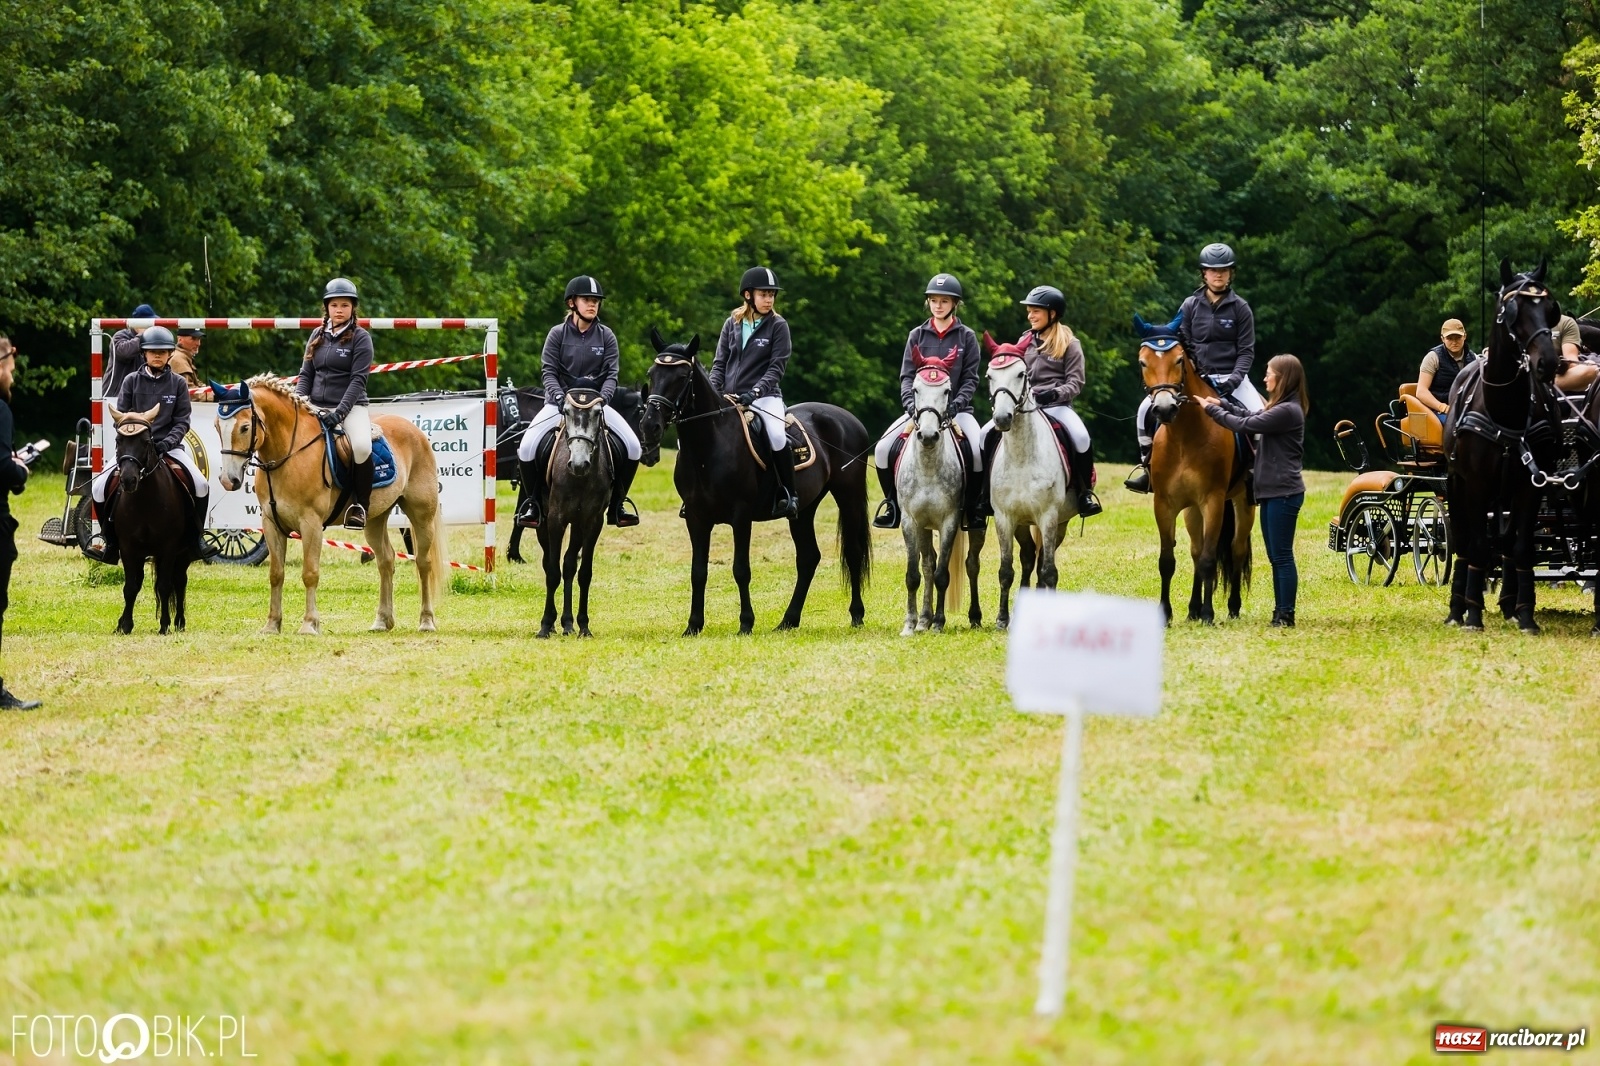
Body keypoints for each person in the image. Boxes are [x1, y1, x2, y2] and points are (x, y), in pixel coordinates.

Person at [1126, 243, 1263, 493]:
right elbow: (1182, 345)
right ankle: (1146, 466)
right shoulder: (1189, 305)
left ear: (1231, 273)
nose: (1218, 274)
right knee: (1145, 408)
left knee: (1257, 411)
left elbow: (1246, 351)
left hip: (1232, 377)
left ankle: (1254, 474)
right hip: (1196, 377)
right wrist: (1193, 374)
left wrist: (1232, 380)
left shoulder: (1241, 308)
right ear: (1204, 273)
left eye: (1223, 270)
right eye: (1212, 270)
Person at [514, 275, 641, 528]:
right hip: (558, 404)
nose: (592, 305)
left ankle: (617, 504)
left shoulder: (607, 336)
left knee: (634, 446)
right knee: (527, 447)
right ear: (572, 302)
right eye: (587, 300)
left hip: (596, 407)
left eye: (596, 301)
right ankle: (533, 504)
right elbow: (548, 371)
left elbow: (611, 374)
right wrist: (561, 398)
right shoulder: (557, 334)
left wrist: (603, 399)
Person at [1197, 354, 1308, 627]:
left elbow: (1245, 425)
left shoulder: (1287, 411)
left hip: (1283, 493)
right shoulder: (1280, 407)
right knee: (1276, 556)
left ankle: (1286, 614)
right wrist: (1221, 402)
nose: (1265, 378)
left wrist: (1212, 411)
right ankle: (1281, 612)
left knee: (1281, 556)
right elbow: (1251, 414)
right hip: (1272, 492)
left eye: (1269, 373)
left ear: (1282, 379)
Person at [91, 326, 215, 563]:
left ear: (170, 353)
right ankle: (109, 541)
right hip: (134, 449)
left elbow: (182, 421)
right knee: (98, 487)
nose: (157, 355)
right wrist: (136, 442)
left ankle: (196, 539)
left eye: (162, 351)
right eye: (151, 351)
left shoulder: (178, 383)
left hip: (169, 448)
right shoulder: (131, 381)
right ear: (144, 354)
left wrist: (166, 444)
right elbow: (123, 418)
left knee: (201, 484)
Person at [872, 273, 985, 530]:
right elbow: (906, 377)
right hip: (920, 411)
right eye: (934, 300)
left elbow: (970, 379)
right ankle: (893, 505)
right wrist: (911, 407)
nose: (938, 305)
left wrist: (956, 405)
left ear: (955, 304)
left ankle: (973, 508)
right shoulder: (917, 335)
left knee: (978, 453)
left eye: (944, 301)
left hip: (958, 411)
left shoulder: (966, 336)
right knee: (881, 449)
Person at [981, 285, 1103, 518]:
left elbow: (1076, 382)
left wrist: (1054, 394)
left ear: (1052, 313)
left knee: (1081, 436)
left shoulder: (1070, 343)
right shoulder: (1024, 340)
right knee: (985, 434)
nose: (1030, 316)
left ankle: (1084, 493)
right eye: (1029, 311)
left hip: (1057, 406)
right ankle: (984, 494)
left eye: (1035, 311)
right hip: (1024, 407)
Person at [712, 266, 797, 519]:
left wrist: (756, 391)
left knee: (776, 435)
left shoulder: (778, 326)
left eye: (772, 294)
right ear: (748, 295)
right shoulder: (732, 323)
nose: (769, 299)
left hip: (766, 397)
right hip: (730, 398)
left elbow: (777, 367)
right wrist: (715, 391)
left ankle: (788, 494)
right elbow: (719, 363)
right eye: (764, 294)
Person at [297, 277, 375, 529]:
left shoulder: (361, 338)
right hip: (315, 405)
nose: (339, 310)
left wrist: (340, 412)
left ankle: (360, 505)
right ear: (327, 307)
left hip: (351, 407)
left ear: (353, 308)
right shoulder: (316, 335)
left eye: (344, 305)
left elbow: (357, 380)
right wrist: (299, 400)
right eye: (334, 305)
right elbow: (306, 374)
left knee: (362, 447)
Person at [0, 334, 39, 709]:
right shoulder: (1, 409)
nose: (13, 375)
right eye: (10, 368)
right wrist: (19, 470)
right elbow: (1, 471)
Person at [1415, 318, 1469, 421]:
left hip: (1465, 410)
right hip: (1436, 411)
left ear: (1464, 336)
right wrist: (1443, 407)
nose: (1454, 342)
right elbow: (1421, 391)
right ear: (1442, 338)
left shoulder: (1473, 358)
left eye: (1458, 337)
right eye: (1449, 338)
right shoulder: (1432, 357)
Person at [105, 303, 157, 396]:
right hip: (114, 396)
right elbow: (124, 353)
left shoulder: (149, 340)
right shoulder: (119, 336)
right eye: (148, 324)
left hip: (137, 397)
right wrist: (142, 335)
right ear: (137, 324)